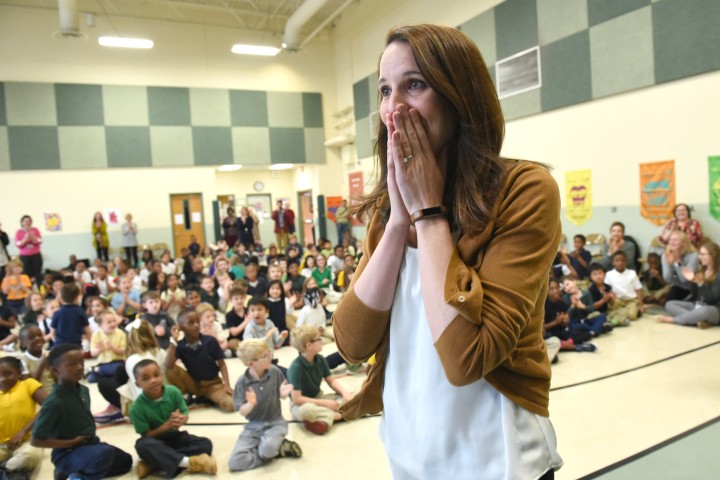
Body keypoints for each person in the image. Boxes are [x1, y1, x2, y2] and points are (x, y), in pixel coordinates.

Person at [331, 24, 563, 479]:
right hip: (411, 458)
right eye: (384, 90)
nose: (393, 109)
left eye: (414, 85)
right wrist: (400, 220)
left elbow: (466, 359)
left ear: (460, 97)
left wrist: (430, 212)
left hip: (500, 461)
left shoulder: (525, 190)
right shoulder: (390, 211)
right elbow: (352, 343)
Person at [31, 344, 133, 480]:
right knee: (104, 454)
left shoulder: (83, 390)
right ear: (55, 371)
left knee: (125, 462)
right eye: (72, 364)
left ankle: (70, 472)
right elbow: (36, 440)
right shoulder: (54, 402)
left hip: (90, 444)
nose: (80, 367)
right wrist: (71, 442)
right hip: (67, 452)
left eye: (81, 362)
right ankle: (75, 475)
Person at [129, 359, 217, 478]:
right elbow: (146, 435)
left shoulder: (173, 392)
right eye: (145, 378)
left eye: (156, 375)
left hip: (175, 438)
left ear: (161, 375)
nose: (153, 381)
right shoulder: (136, 407)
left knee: (206, 444)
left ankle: (154, 463)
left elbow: (184, 413)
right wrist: (166, 426)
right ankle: (191, 463)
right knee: (142, 445)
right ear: (137, 384)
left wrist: (182, 419)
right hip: (155, 441)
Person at [229, 339, 302, 472]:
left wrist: (283, 393)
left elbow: (282, 394)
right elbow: (243, 412)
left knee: (267, 449)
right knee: (235, 462)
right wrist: (251, 404)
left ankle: (269, 449)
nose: (270, 357)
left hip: (275, 423)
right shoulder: (242, 383)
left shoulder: (274, 372)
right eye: (264, 356)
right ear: (251, 363)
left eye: (269, 353)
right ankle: (278, 450)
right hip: (253, 427)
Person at [287, 324, 354, 435]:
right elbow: (297, 399)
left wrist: (345, 393)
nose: (321, 341)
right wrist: (324, 403)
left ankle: (324, 420)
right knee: (306, 411)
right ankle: (341, 415)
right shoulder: (296, 368)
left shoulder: (320, 359)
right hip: (301, 404)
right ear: (309, 345)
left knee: (352, 397)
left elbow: (331, 381)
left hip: (318, 397)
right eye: (319, 339)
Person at [165, 309, 234, 412]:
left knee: (230, 405)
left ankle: (206, 399)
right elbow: (169, 365)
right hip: (193, 384)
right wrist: (173, 341)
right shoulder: (180, 346)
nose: (196, 325)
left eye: (198, 321)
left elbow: (222, 364)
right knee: (170, 370)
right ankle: (186, 396)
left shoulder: (210, 341)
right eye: (191, 323)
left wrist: (227, 385)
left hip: (212, 385)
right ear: (180, 327)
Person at [0, 356, 47, 478]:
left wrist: (23, 432)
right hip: (1, 444)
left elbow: (50, 406)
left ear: (19, 373)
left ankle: (6, 468)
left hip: (27, 441)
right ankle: (10, 471)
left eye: (8, 374)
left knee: (29, 456)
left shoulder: (27, 384)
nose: (2, 379)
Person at [658, 241, 720, 329]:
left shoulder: (718, 275)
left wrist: (701, 283)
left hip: (714, 309)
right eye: (699, 254)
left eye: (703, 254)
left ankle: (675, 320)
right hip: (698, 305)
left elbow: (711, 299)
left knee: (704, 311)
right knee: (670, 304)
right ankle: (698, 321)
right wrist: (692, 281)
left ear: (712, 256)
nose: (700, 257)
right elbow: (694, 295)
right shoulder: (701, 272)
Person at [604, 251, 645, 323]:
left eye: (622, 260)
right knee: (610, 311)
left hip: (631, 300)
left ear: (626, 262)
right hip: (617, 300)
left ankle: (628, 312)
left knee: (632, 316)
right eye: (617, 261)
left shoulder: (632, 273)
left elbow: (638, 289)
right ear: (613, 263)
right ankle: (624, 314)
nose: (620, 263)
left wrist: (641, 304)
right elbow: (606, 289)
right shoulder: (609, 274)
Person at [87, 310, 126, 383]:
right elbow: (93, 353)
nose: (113, 324)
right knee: (91, 379)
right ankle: (102, 371)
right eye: (109, 322)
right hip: (103, 363)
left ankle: (97, 370)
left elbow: (123, 351)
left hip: (117, 362)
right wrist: (100, 349)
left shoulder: (120, 333)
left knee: (119, 369)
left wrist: (113, 348)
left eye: (114, 321)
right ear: (100, 325)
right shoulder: (96, 335)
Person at [661, 230, 699, 302]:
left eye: (675, 240)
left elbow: (685, 280)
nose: (672, 242)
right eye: (670, 240)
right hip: (676, 286)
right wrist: (669, 264)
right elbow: (668, 279)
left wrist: (677, 262)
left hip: (692, 286)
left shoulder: (693, 255)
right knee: (668, 302)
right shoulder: (665, 255)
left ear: (683, 243)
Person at [51, 283, 91, 347]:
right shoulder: (80, 312)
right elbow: (87, 331)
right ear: (77, 298)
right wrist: (91, 344)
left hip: (59, 346)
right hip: (75, 346)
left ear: (61, 298)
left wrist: (57, 343)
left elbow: (52, 333)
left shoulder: (57, 313)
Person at [14, 215, 42, 287]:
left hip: (36, 255)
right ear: (22, 222)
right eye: (25, 221)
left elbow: (39, 241)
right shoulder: (19, 232)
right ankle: (28, 290)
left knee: (38, 273)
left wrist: (33, 237)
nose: (27, 222)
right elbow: (18, 244)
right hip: (24, 256)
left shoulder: (35, 230)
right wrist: (25, 238)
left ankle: (40, 290)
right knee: (26, 274)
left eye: (29, 221)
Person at [0, 220, 10, 290]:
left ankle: (5, 299)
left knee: (5, 279)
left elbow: (6, 242)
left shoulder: (3, 234)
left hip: (4, 260)